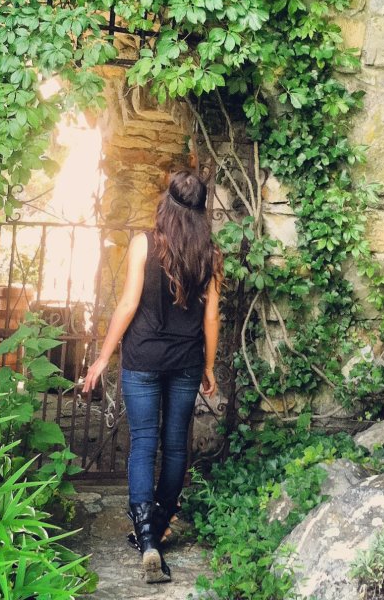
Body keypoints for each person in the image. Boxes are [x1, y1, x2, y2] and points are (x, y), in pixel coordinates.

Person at [82, 170, 222, 584]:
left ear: (167, 203)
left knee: (143, 443)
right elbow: (211, 317)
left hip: (142, 357)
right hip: (185, 360)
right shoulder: (211, 254)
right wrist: (209, 366)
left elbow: (128, 304)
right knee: (175, 444)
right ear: (201, 210)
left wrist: (103, 357)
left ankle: (146, 540)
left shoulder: (145, 242)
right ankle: (158, 530)